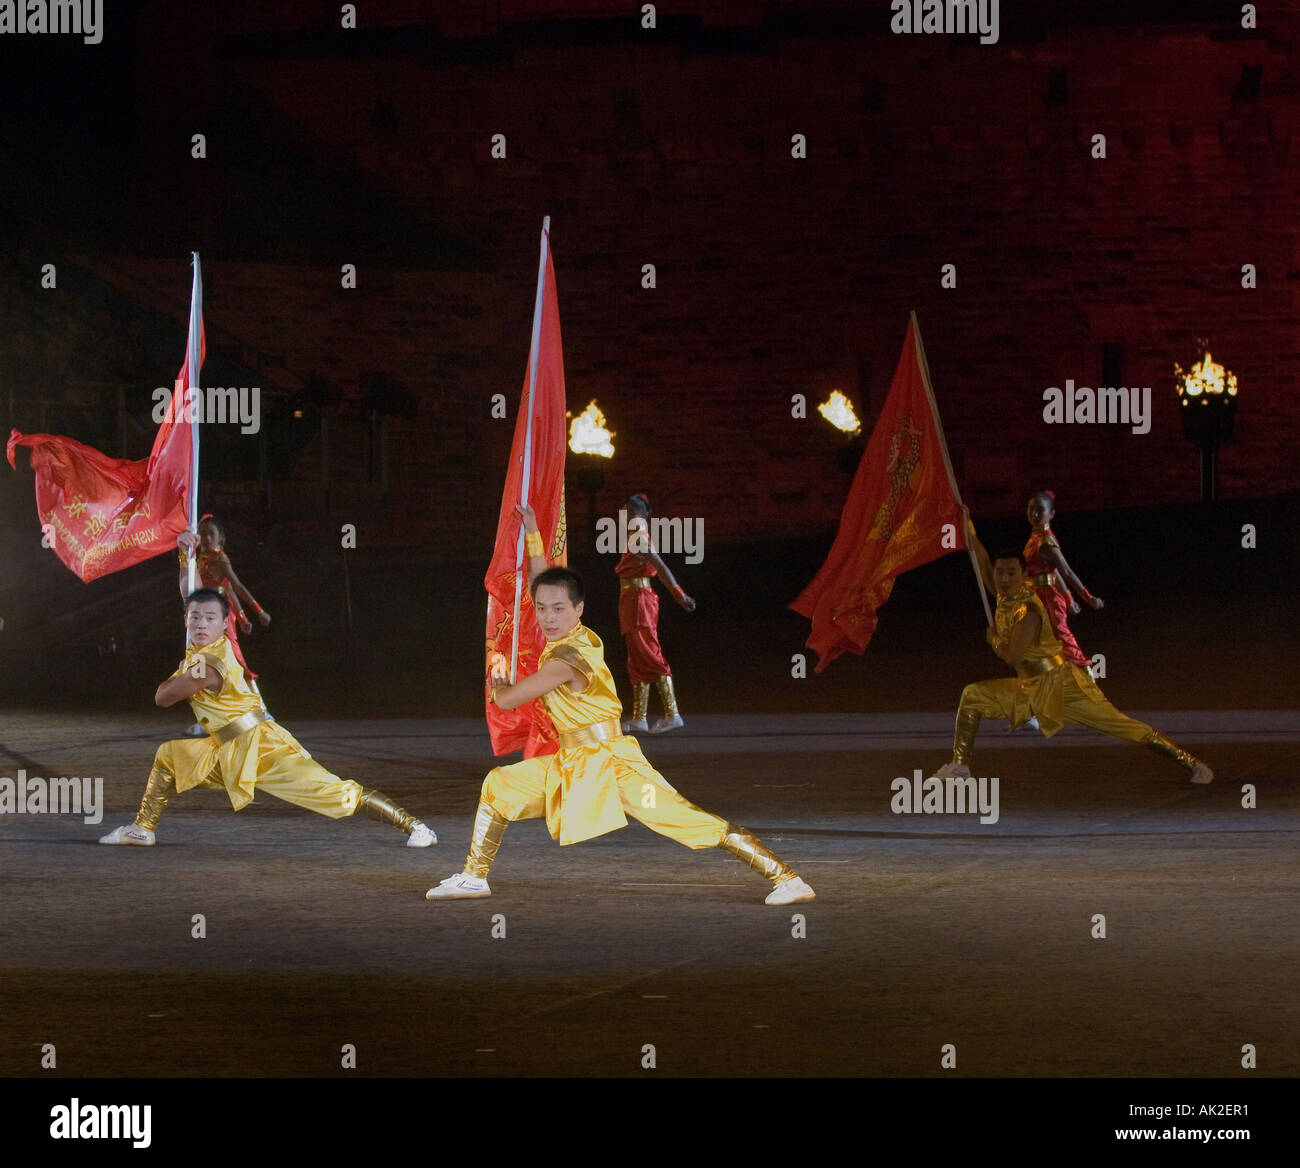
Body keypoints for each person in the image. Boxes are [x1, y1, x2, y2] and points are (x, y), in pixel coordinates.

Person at [426, 504, 814, 904]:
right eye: (541, 609)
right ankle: (474, 876)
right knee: (499, 784)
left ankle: (786, 877)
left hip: (611, 763)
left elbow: (509, 700)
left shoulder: (566, 659)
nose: (547, 617)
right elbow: (544, 584)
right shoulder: (576, 635)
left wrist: (496, 683)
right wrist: (532, 533)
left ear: (579, 609)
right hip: (574, 763)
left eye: (558, 609)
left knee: (687, 819)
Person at [98, 588, 436, 847]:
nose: (201, 623)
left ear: (225, 622)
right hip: (226, 749)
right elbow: (193, 589)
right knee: (169, 756)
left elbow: (162, 698)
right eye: (195, 617)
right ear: (185, 619)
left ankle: (414, 826)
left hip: (262, 749)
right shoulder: (205, 649)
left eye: (209, 618)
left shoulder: (206, 664)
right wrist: (186, 553)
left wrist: (177, 675)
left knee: (333, 792)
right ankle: (142, 830)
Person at [931, 525, 1212, 785]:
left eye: (1010, 573)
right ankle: (960, 766)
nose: (1003, 579)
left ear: (1024, 574)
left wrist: (993, 640)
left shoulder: (1027, 610)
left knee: (1125, 727)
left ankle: (1192, 763)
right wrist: (966, 525)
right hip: (1031, 688)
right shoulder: (1004, 594)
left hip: (1063, 686)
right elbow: (980, 561)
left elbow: (1013, 657)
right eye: (999, 572)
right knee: (972, 695)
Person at [615, 493, 694, 733]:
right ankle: (640, 717)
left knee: (650, 654)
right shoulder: (634, 536)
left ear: (631, 513)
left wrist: (679, 594)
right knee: (637, 657)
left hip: (640, 602)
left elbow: (660, 567)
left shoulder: (639, 537)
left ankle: (672, 713)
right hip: (632, 600)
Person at [177, 515, 269, 682]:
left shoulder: (219, 559)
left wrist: (257, 612)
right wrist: (243, 617)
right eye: (203, 534)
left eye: (211, 534)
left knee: (230, 650)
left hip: (220, 610)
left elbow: (235, 587)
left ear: (221, 538)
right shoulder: (203, 558)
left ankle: (248, 688)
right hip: (207, 609)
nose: (207, 538)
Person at [1023, 491, 1101, 671]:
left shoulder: (1046, 542)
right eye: (1031, 509)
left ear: (1051, 514)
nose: (1034, 514)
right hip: (1038, 597)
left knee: (1062, 637)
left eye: (1040, 510)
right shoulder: (1036, 538)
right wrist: (1069, 600)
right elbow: (1053, 573)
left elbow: (1066, 571)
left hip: (1048, 598)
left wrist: (1088, 598)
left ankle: (1086, 675)